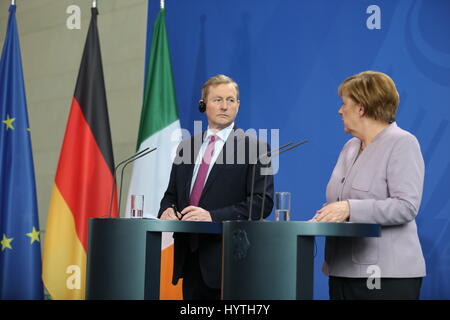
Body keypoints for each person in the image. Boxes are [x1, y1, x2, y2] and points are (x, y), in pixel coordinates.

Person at [311, 71, 426, 300]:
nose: (340, 110)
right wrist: (324, 216)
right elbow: (339, 203)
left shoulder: (403, 143)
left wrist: (350, 209)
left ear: (361, 108)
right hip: (341, 273)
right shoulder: (350, 147)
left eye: (344, 104)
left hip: (386, 277)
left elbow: (406, 206)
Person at [158, 74, 274, 300]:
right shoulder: (186, 147)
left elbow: (262, 203)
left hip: (229, 261)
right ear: (203, 105)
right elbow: (170, 195)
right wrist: (168, 209)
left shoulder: (255, 147)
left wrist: (212, 216)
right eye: (217, 100)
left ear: (238, 105)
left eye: (231, 100)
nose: (224, 106)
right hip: (189, 259)